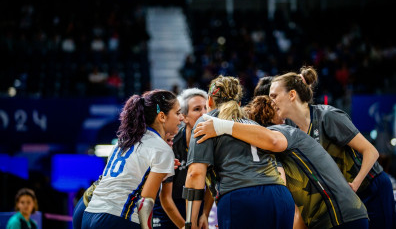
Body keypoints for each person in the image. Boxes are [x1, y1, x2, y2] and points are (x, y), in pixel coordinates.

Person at [194, 96, 369, 228]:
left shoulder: (279, 132)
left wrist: (221, 127)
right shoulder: (286, 137)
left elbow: (274, 149)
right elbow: (296, 205)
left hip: (337, 216)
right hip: (337, 214)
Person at [267, 66, 396, 228]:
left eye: (274, 96)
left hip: (371, 186)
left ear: (292, 95)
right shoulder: (290, 127)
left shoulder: (328, 116)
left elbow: (372, 151)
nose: (271, 102)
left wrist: (355, 184)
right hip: (348, 196)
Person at [185, 75, 295, 229]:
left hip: (240, 197)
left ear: (209, 101)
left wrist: (190, 222)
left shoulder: (207, 121)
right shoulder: (251, 123)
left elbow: (195, 174)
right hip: (280, 196)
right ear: (239, 103)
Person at [82, 90, 183, 229]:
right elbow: (145, 202)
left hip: (88, 214)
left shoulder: (124, 140)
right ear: (162, 117)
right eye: (177, 113)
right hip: (117, 218)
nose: (181, 118)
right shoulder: (161, 148)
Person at [153, 88, 213, 228]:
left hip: (195, 202)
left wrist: (205, 213)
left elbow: (212, 184)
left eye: (206, 108)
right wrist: (185, 226)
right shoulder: (170, 143)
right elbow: (165, 198)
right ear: (184, 117)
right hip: (166, 207)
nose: (204, 113)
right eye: (197, 109)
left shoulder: (212, 143)